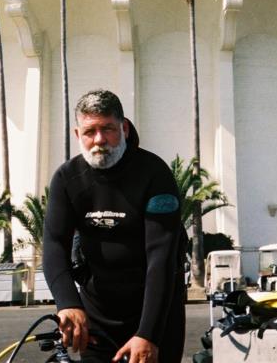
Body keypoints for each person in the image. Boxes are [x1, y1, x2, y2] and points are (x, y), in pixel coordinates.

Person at [43, 90, 186, 363]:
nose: (99, 140)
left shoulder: (154, 174)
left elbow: (162, 258)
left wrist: (148, 334)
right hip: (97, 316)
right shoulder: (67, 178)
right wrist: (68, 304)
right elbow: (53, 245)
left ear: (125, 127)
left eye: (108, 129)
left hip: (154, 314)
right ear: (77, 135)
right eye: (90, 131)